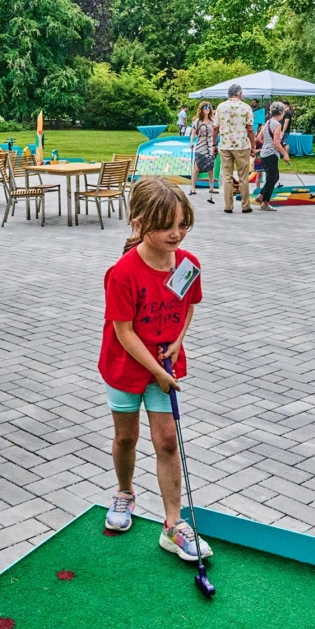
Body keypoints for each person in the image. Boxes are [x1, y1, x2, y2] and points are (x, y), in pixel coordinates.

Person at [100, 178, 212, 562]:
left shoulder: (188, 264)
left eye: (183, 224)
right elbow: (124, 332)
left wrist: (178, 343)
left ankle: (172, 524)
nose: (176, 234)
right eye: (167, 226)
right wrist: (157, 372)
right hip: (125, 367)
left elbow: (188, 306)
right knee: (127, 437)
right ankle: (125, 492)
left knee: (166, 441)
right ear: (139, 223)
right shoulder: (123, 273)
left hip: (165, 365)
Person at [215, 84, 256, 214]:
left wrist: (214, 144)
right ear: (239, 93)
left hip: (225, 145)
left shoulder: (221, 107)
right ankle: (245, 206)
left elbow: (215, 128)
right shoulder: (246, 108)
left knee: (227, 176)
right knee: (243, 176)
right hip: (241, 146)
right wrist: (253, 147)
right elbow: (250, 129)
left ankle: (228, 206)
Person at [258, 102, 290, 212]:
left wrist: (267, 144)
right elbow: (276, 142)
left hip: (264, 153)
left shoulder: (268, 122)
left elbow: (259, 137)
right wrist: (285, 154)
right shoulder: (277, 124)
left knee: (274, 177)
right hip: (271, 154)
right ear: (280, 112)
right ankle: (265, 203)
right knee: (272, 178)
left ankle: (261, 195)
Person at [188, 102, 217, 195]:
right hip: (201, 143)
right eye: (205, 108)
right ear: (201, 109)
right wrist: (191, 142)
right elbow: (193, 132)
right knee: (197, 166)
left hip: (210, 144)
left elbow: (217, 132)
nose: (207, 109)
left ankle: (211, 187)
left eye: (209, 107)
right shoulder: (197, 121)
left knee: (211, 166)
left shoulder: (213, 120)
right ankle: (193, 187)